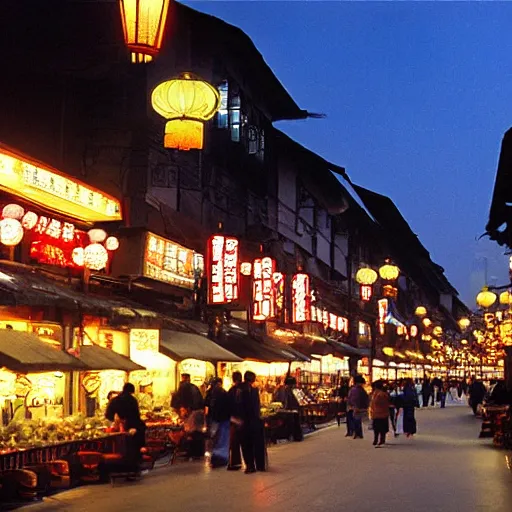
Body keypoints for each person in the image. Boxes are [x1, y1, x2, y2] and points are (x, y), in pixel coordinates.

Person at [105, 383, 146, 468]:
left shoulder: (115, 400)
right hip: (131, 425)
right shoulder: (133, 400)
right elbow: (136, 415)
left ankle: (121, 463)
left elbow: (108, 415)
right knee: (132, 444)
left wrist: (116, 419)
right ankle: (135, 460)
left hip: (118, 426)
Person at [236, 371, 266, 473]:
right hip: (252, 421)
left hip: (242, 422)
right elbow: (255, 407)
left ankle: (250, 466)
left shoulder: (237, 389)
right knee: (256, 444)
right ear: (252, 379)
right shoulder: (252, 390)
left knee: (245, 445)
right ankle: (259, 465)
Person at [205, 378, 231, 468]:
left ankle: (215, 458)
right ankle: (220, 459)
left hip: (215, 419)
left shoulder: (210, 394)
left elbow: (206, 406)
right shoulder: (223, 393)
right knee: (222, 439)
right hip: (222, 420)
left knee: (215, 439)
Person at [227, 371, 243, 471]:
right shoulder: (247, 389)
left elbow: (228, 405)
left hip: (234, 419)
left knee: (234, 442)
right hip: (244, 419)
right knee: (245, 442)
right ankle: (249, 463)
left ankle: (235, 462)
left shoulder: (232, 390)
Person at [347, 375, 369, 439]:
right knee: (357, 420)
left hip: (355, 407)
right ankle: (358, 433)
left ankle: (357, 433)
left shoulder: (353, 389)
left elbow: (351, 399)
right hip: (359, 407)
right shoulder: (360, 390)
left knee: (356, 419)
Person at [370, 380, 390, 447]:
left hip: (377, 413)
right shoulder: (383, 394)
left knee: (377, 428)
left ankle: (376, 440)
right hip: (382, 413)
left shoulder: (376, 394)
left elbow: (374, 403)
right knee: (382, 428)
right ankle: (381, 440)